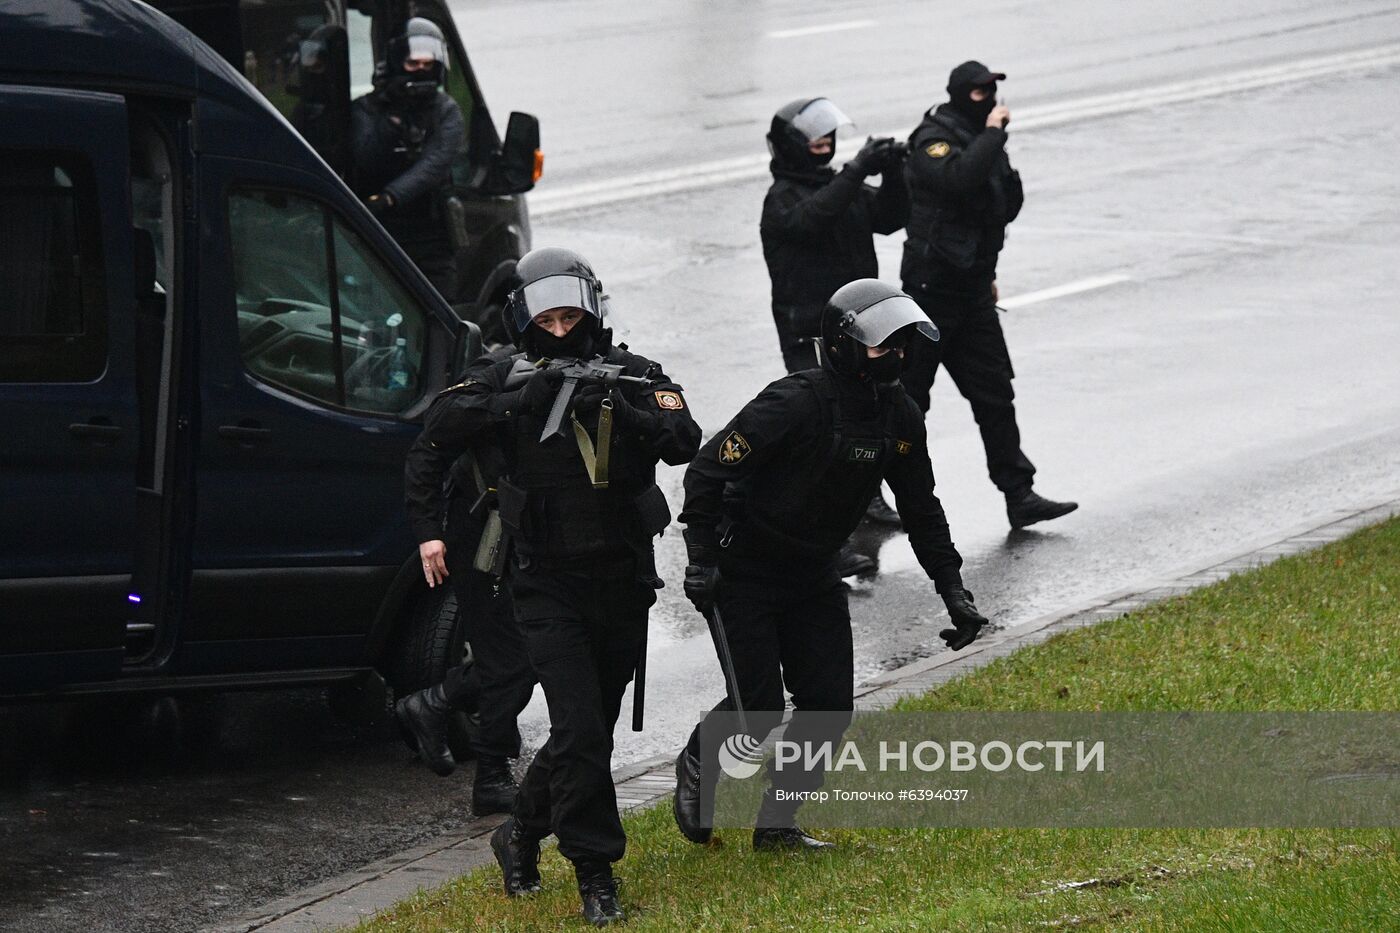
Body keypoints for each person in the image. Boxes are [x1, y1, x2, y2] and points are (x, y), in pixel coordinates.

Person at [422, 247, 701, 926]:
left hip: (620, 580)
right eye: (546, 318)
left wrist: (637, 414)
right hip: (546, 583)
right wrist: (517, 398)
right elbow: (436, 431)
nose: (559, 328)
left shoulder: (631, 371)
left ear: (592, 310)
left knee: (587, 734)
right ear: (524, 317)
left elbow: (684, 435)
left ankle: (518, 833)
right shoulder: (503, 373)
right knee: (577, 729)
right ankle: (595, 872)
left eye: (569, 315)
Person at [672, 279, 990, 850]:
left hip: (815, 573)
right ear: (843, 344)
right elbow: (707, 470)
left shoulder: (900, 416)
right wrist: (699, 560)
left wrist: (953, 589)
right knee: (759, 713)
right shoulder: (793, 401)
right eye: (879, 345)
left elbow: (922, 507)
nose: (893, 355)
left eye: (900, 344)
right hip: (744, 572)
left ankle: (777, 825)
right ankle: (698, 762)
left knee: (828, 710)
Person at [900, 61, 1077, 529]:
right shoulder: (932, 139)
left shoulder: (984, 140)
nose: (989, 101)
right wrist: (994, 135)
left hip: (973, 292)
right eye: (979, 93)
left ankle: (1019, 494)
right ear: (961, 94)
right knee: (905, 403)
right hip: (929, 295)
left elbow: (999, 207)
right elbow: (957, 180)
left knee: (995, 395)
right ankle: (863, 498)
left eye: (992, 93)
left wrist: (986, 271)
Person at [760, 97, 909, 554]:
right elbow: (812, 219)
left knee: (864, 418)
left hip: (858, 328)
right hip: (811, 331)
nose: (823, 143)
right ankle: (822, 540)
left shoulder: (838, 185)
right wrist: (857, 168)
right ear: (790, 144)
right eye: (812, 136)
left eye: (828, 136)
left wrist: (892, 169)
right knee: (823, 433)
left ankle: (868, 503)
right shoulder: (783, 198)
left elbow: (890, 217)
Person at [398, 341, 536, 816]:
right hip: (483, 535)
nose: (560, 329)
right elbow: (427, 451)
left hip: (534, 541)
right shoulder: (493, 376)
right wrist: (428, 534)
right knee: (512, 662)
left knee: (530, 653)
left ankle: (434, 703)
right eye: (548, 320)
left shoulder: (595, 372)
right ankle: (491, 777)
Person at [351, 17, 464, 301]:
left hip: (432, 237)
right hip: (383, 232)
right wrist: (392, 120)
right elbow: (364, 157)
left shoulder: (445, 110)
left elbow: (436, 163)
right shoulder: (368, 109)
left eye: (428, 64)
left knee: (441, 311)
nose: (421, 71)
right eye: (414, 64)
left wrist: (391, 196)